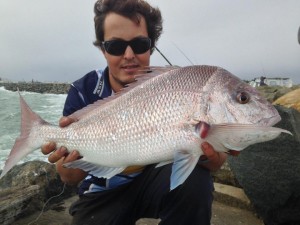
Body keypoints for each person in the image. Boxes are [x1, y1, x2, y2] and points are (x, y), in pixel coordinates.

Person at [42, 0, 228, 224]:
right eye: (116, 46)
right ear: (103, 49)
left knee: (196, 181)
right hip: (102, 194)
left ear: (151, 46)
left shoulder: (175, 87)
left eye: (139, 44)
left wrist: (212, 157)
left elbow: (213, 163)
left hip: (156, 181)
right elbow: (68, 177)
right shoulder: (83, 91)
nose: (129, 54)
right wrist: (69, 156)